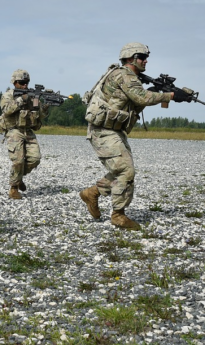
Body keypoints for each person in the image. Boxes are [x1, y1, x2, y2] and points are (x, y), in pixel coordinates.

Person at [79, 42, 191, 230]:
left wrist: (161, 91)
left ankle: (92, 193)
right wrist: (171, 95)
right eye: (142, 57)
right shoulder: (124, 75)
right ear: (131, 58)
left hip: (113, 130)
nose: (146, 61)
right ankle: (118, 215)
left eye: (146, 57)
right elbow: (142, 98)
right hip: (103, 130)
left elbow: (138, 99)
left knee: (121, 170)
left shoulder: (132, 78)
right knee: (126, 169)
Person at [0, 69, 49, 199]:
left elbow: (40, 115)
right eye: (21, 82)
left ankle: (18, 177)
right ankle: (14, 188)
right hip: (14, 130)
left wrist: (45, 105)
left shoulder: (32, 96)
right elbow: (7, 109)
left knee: (35, 159)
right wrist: (22, 99)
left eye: (26, 82)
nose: (25, 85)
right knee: (18, 160)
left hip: (28, 130)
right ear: (15, 82)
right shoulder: (8, 95)